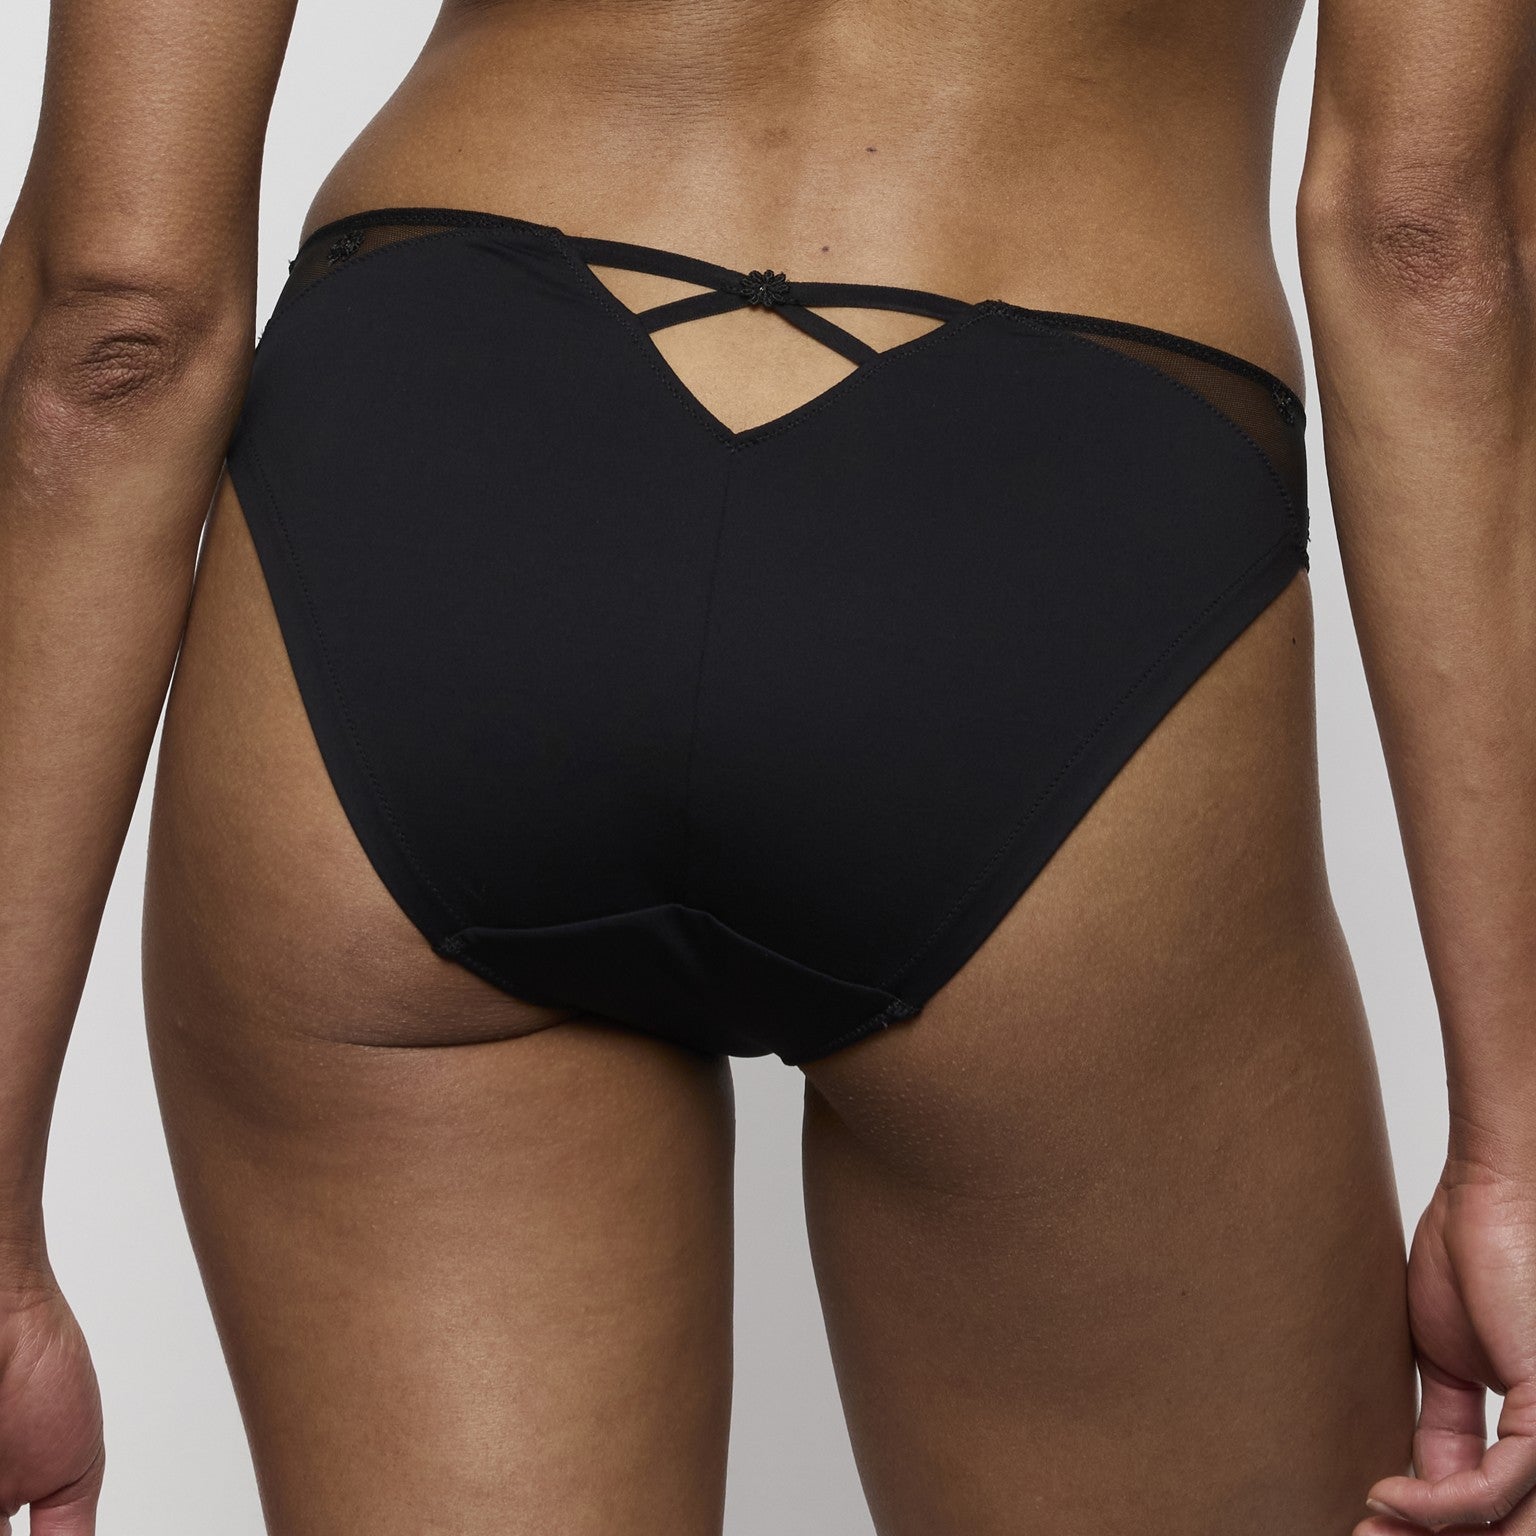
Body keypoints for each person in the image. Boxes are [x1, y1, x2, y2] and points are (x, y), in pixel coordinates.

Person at [1, 0, 1533, 1530]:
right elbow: (1424, 243)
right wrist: (1513, 1163)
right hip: (1049, 504)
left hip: (437, 483)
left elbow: (114, 314)